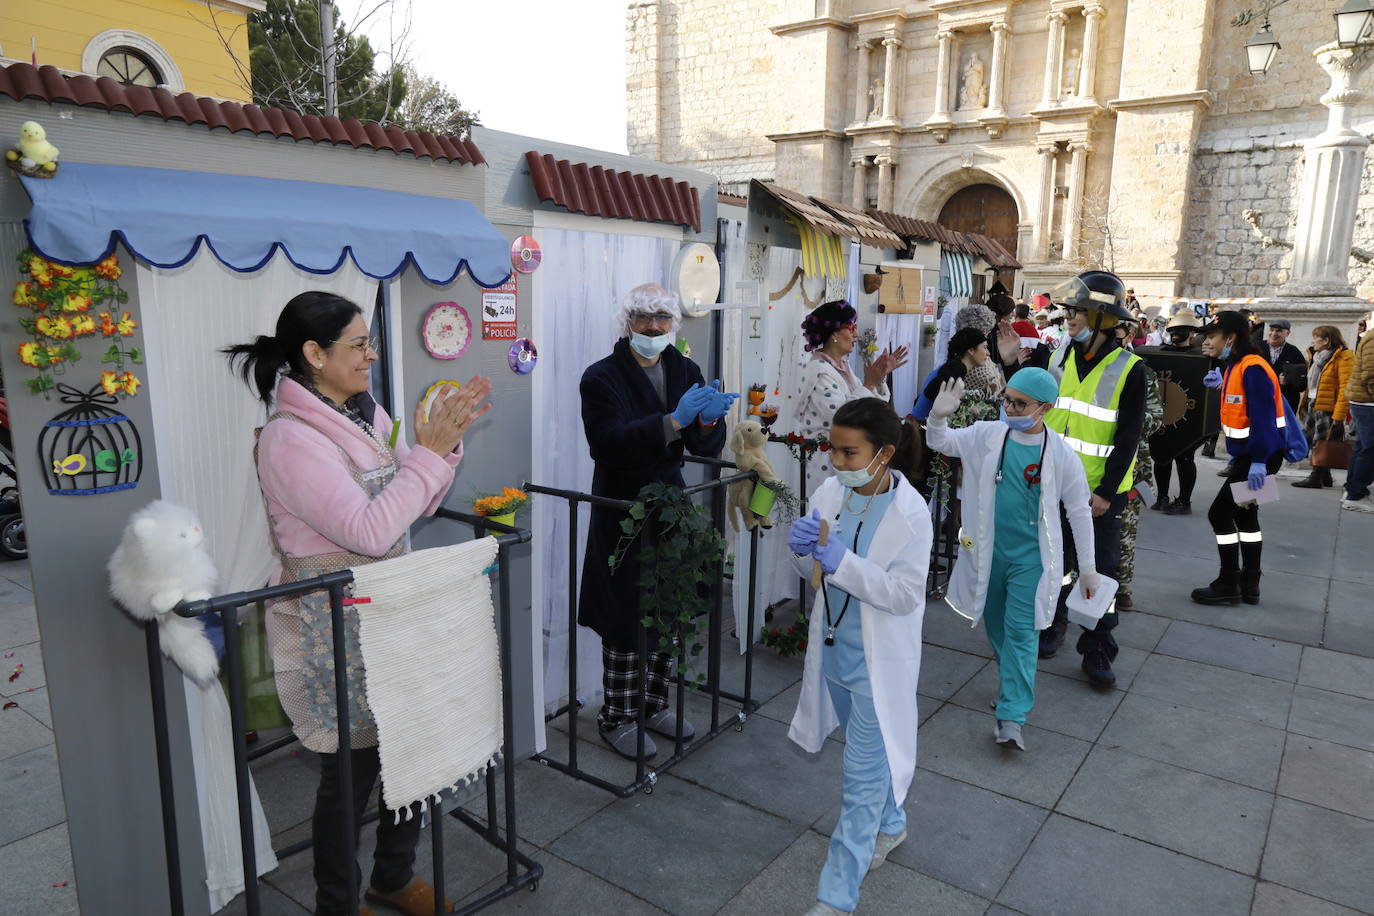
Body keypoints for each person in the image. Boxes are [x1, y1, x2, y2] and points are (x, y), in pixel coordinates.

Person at [226, 291, 490, 916]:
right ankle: (338, 904)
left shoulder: (363, 412)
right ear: (314, 354)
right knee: (350, 775)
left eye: (370, 342)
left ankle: (393, 881)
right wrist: (425, 456)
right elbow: (370, 532)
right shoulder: (290, 440)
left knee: (411, 752)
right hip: (334, 623)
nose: (372, 355)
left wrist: (438, 446)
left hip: (389, 610)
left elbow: (414, 501)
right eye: (359, 345)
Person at [578, 283, 738, 758]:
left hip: (671, 509)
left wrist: (707, 423)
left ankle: (652, 704)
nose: (653, 326)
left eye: (662, 318)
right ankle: (617, 717)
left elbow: (702, 448)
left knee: (668, 607)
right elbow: (606, 443)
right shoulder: (600, 377)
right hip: (623, 510)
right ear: (627, 322)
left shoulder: (684, 368)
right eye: (644, 317)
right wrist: (670, 423)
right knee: (626, 617)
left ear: (674, 324)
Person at [787, 398, 929, 916]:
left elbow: (904, 595)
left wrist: (840, 560)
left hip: (877, 669)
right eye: (833, 450)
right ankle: (892, 825)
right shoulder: (830, 491)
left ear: (884, 454)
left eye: (849, 454)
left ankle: (835, 897)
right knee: (871, 761)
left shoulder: (912, 515)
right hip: (833, 655)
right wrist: (803, 551)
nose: (836, 463)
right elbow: (813, 571)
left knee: (861, 782)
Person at [926, 369, 1097, 750]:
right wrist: (938, 416)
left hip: (1032, 562)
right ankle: (1010, 687)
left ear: (1045, 409)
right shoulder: (987, 436)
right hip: (988, 556)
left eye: (1020, 403)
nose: (1009, 408)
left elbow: (1079, 511)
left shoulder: (1061, 455)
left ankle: (1012, 717)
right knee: (998, 628)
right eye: (1007, 399)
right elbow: (941, 441)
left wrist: (1088, 569)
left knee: (1021, 632)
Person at [1039, 270, 1147, 688]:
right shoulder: (1058, 357)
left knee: (1098, 571)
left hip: (1099, 495)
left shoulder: (1130, 369)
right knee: (1057, 565)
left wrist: (1104, 493)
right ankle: (1054, 625)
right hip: (1056, 487)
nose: (1069, 317)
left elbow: (1128, 437)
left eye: (1077, 311)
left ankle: (1098, 649)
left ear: (1102, 317)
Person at [1190, 311, 1285, 605]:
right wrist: (1221, 384)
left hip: (1259, 457)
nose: (1207, 341)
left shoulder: (1252, 368)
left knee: (1219, 514)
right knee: (1246, 514)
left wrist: (1258, 460)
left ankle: (1228, 581)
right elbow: (1242, 405)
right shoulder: (1236, 366)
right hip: (1256, 456)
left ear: (1231, 338)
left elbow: (1263, 416)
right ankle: (1250, 582)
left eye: (1212, 336)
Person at [796, 300, 907, 442]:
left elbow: (872, 407)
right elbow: (843, 417)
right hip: (827, 458)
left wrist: (878, 380)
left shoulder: (842, 365)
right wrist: (869, 384)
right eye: (851, 327)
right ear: (834, 333)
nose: (857, 334)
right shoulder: (818, 370)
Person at [1111, 320, 1164, 612]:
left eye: (1116, 335)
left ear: (1129, 336)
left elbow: (1155, 416)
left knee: (1125, 532)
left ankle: (1122, 589)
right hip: (1092, 463)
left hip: (1133, 466)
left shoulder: (1141, 371)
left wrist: (1123, 423)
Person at [1151, 311, 1205, 514]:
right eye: (1172, 330)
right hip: (1163, 418)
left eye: (1180, 330)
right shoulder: (1160, 353)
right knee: (1160, 457)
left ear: (1191, 333)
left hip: (1188, 421)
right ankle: (1162, 496)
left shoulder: (1201, 357)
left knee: (1184, 459)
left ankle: (1184, 501)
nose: (1175, 334)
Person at [1293, 325, 1354, 489]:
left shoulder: (1344, 357)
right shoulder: (1318, 356)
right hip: (1314, 402)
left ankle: (1316, 476)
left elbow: (1345, 388)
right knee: (1316, 441)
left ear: (1327, 340)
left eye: (1316, 338)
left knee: (1322, 441)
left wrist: (1339, 415)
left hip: (1328, 406)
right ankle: (1325, 476)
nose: (1313, 341)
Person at [1341, 316, 1374, 513]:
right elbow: (1371, 374)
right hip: (1368, 401)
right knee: (1369, 449)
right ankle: (1356, 494)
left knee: (1363, 446)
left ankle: (1352, 489)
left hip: (1365, 400)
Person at [1263, 319, 1307, 411]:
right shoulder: (1257, 348)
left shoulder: (1294, 352)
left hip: (1285, 403)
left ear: (1287, 333)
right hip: (1260, 399)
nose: (1274, 334)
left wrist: (1290, 380)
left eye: (1278, 331)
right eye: (1272, 330)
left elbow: (1302, 384)